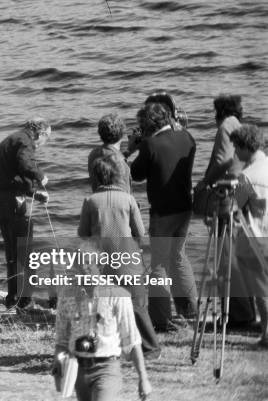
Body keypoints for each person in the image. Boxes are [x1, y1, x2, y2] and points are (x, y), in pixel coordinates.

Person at [79, 157, 161, 358]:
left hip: (102, 265)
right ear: (116, 176)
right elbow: (140, 234)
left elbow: (83, 234)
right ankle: (151, 349)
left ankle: (108, 348)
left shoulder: (90, 202)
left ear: (95, 177)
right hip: (129, 262)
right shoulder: (128, 199)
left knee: (103, 307)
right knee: (139, 306)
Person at [128, 102, 197, 332]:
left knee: (158, 263)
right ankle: (189, 311)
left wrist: (134, 148)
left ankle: (160, 318)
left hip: (162, 211)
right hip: (185, 207)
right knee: (178, 256)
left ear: (148, 124)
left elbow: (136, 174)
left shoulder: (151, 144)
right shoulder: (187, 138)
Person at [53, 249, 152, 401]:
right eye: (80, 267)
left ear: (100, 268)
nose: (83, 272)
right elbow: (62, 338)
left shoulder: (118, 296)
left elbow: (132, 340)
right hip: (78, 368)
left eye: (88, 266)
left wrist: (143, 378)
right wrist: (58, 364)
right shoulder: (67, 295)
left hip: (107, 368)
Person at [200, 95, 256, 327]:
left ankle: (238, 314)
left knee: (226, 255)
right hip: (241, 194)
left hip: (227, 196)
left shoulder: (225, 125)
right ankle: (245, 311)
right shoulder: (238, 125)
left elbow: (223, 160)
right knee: (238, 255)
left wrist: (206, 182)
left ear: (219, 110)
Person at [0, 117, 51, 309]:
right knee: (25, 251)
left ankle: (13, 298)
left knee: (13, 250)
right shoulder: (25, 141)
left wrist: (33, 193)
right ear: (39, 134)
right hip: (11, 202)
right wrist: (41, 176)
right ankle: (25, 301)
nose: (43, 144)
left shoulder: (14, 140)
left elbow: (12, 175)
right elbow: (25, 164)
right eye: (46, 139)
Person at [231, 124, 268, 347]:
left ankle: (267, 335)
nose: (235, 152)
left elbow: (237, 207)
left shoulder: (247, 176)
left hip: (257, 239)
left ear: (246, 147)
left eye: (236, 147)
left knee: (261, 289)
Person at [88, 113, 131, 193]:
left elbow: (109, 156)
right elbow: (123, 190)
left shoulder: (93, 154)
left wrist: (128, 152)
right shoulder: (119, 160)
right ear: (122, 133)